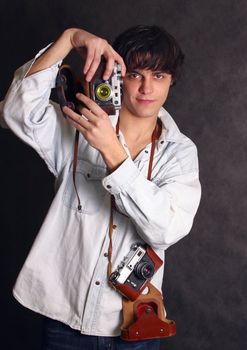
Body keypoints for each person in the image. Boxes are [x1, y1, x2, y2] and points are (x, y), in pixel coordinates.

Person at [0, 25, 201, 350]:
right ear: (118, 75)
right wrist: (68, 39)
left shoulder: (178, 152)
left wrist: (113, 154)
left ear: (171, 81)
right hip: (64, 316)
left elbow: (165, 230)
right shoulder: (82, 126)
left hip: (133, 323)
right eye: (135, 74)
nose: (147, 87)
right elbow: (17, 112)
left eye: (160, 75)